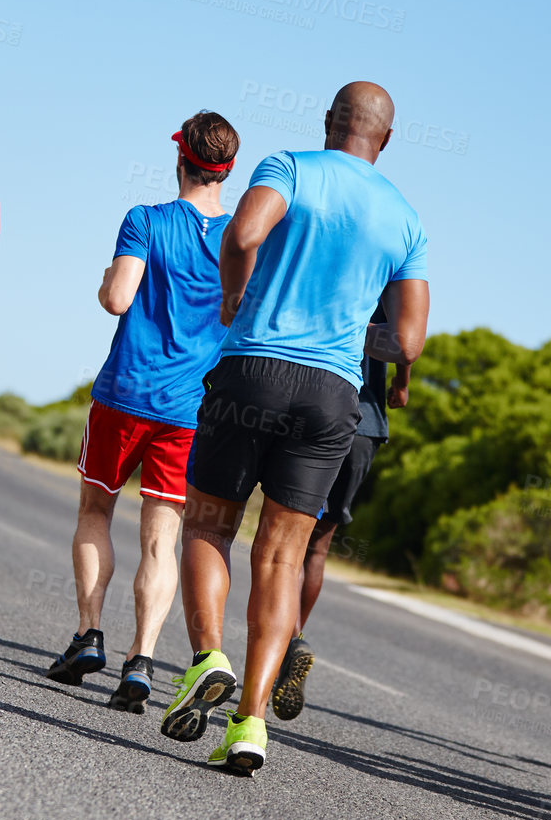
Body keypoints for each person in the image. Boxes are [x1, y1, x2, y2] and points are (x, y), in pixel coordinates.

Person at [158, 81, 429, 775]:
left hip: (252, 370)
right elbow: (408, 341)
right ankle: (250, 722)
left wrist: (233, 294)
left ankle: (206, 658)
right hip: (332, 394)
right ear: (386, 140)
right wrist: (343, 330)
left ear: (329, 122)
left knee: (210, 525)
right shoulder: (405, 219)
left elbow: (244, 233)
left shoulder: (288, 167)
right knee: (281, 558)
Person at [44, 112, 239, 711]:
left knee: (95, 509)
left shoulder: (145, 221)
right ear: (226, 172)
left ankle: (88, 634)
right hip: (190, 411)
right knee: (163, 538)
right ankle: (141, 661)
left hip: (124, 395)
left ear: (180, 159)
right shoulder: (241, 240)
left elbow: (116, 299)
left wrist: (109, 275)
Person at [269, 298, 410, 723]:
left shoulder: (328, 252)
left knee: (287, 539)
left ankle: (286, 641)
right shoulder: (394, 270)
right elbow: (407, 337)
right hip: (365, 423)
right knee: (318, 547)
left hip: (314, 407)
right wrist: (402, 382)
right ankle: (291, 643)